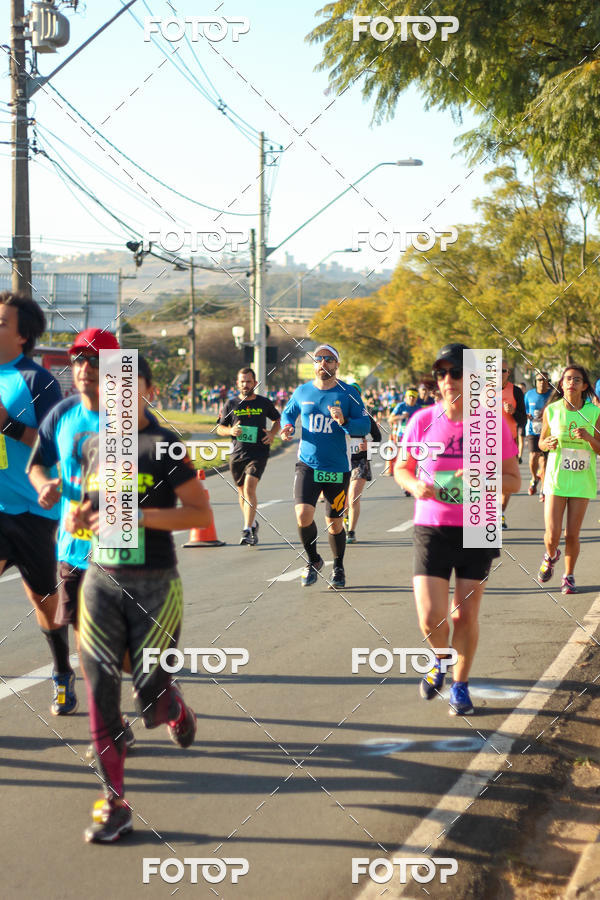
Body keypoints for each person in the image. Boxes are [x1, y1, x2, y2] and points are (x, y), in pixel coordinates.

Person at [66, 356, 212, 842]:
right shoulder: (94, 444)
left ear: (148, 390)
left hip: (155, 583)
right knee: (100, 688)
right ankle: (115, 804)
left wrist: (141, 516)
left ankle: (173, 706)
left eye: (130, 384)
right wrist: (76, 518)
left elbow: (198, 513)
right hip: (101, 580)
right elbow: (83, 506)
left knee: (151, 694)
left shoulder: (165, 445)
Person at [395, 343, 520, 715]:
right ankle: (440, 659)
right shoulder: (422, 420)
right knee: (430, 616)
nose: (448, 379)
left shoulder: (490, 424)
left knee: (464, 615)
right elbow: (402, 467)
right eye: (441, 373)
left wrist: (484, 477)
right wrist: (414, 485)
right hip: (432, 525)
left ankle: (461, 686)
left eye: (456, 372)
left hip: (478, 523)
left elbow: (514, 480)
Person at [28, 327, 136, 754]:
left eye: (95, 360)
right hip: (71, 547)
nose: (85, 367)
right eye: (79, 359)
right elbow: (37, 464)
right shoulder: (62, 413)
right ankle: (113, 724)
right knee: (85, 641)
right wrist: (45, 486)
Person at [0, 291, 74, 715]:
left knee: (44, 601)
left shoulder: (36, 381)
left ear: (22, 336)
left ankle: (62, 671)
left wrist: (8, 424)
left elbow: (56, 447)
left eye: (1, 322)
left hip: (33, 511)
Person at [280, 344, 369, 588]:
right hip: (307, 464)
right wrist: (287, 426)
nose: (323, 363)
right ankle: (313, 560)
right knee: (303, 514)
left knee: (335, 523)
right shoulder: (303, 391)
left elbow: (364, 425)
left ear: (337, 364)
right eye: (318, 359)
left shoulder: (348, 393)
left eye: (329, 359)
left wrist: (344, 420)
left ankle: (338, 567)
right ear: (314, 364)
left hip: (337, 468)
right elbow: (287, 413)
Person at [537, 366, 600, 594]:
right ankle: (551, 554)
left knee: (572, 534)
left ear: (584, 386)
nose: (571, 382)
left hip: (582, 480)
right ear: (561, 384)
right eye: (568, 379)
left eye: (577, 379)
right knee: (552, 535)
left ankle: (568, 576)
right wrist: (546, 444)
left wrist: (589, 438)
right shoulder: (552, 410)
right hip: (556, 479)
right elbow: (541, 442)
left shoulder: (594, 412)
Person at [216, 367, 280, 545]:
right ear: (238, 383)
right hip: (237, 453)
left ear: (255, 383)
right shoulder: (231, 404)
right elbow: (220, 428)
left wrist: (272, 434)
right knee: (242, 492)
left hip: (259, 452)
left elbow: (277, 419)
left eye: (248, 381)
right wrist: (231, 431)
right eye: (242, 381)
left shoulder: (263, 402)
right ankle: (252, 524)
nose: (245, 384)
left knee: (250, 488)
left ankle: (246, 529)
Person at [345, 383, 382, 543]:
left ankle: (351, 532)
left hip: (360, 459)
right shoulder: (338, 413)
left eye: (355, 394)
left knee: (353, 496)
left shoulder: (364, 415)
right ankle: (345, 518)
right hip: (341, 459)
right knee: (342, 500)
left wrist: (369, 445)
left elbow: (377, 437)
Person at [500, 363, 526, 529]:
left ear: (508, 373)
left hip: (509, 442)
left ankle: (500, 513)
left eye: (502, 370)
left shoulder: (515, 391)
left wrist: (513, 412)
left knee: (507, 481)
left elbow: (523, 420)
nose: (499, 373)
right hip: (485, 443)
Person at [523, 371, 553, 502]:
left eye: (545, 380)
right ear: (536, 382)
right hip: (533, 431)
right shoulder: (529, 395)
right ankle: (535, 478)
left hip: (547, 432)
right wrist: (527, 415)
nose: (542, 382)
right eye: (540, 380)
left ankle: (543, 489)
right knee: (533, 457)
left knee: (545, 462)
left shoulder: (552, 395)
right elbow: (524, 410)